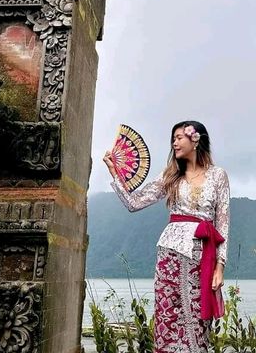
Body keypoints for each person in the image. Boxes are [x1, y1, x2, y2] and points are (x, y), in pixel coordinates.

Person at [103, 120, 230, 353]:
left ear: (196, 139)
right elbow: (134, 202)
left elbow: (222, 224)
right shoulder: (170, 175)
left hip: (202, 257)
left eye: (179, 137)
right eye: (173, 138)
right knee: (167, 318)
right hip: (168, 257)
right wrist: (115, 174)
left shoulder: (218, 176)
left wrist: (220, 267)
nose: (174, 142)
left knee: (198, 322)